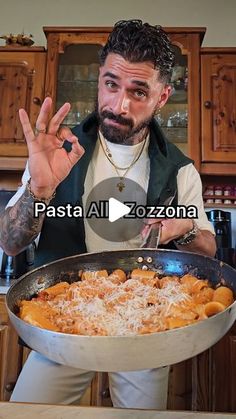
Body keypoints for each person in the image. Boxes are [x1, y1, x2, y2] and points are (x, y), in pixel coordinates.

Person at [0, 19, 216, 409]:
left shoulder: (180, 170)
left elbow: (207, 250)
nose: (118, 105)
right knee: (26, 413)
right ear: (100, 77)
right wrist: (40, 190)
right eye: (111, 84)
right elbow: (10, 244)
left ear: (163, 97)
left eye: (138, 92)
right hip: (62, 316)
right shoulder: (57, 150)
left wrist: (180, 232)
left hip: (145, 324)